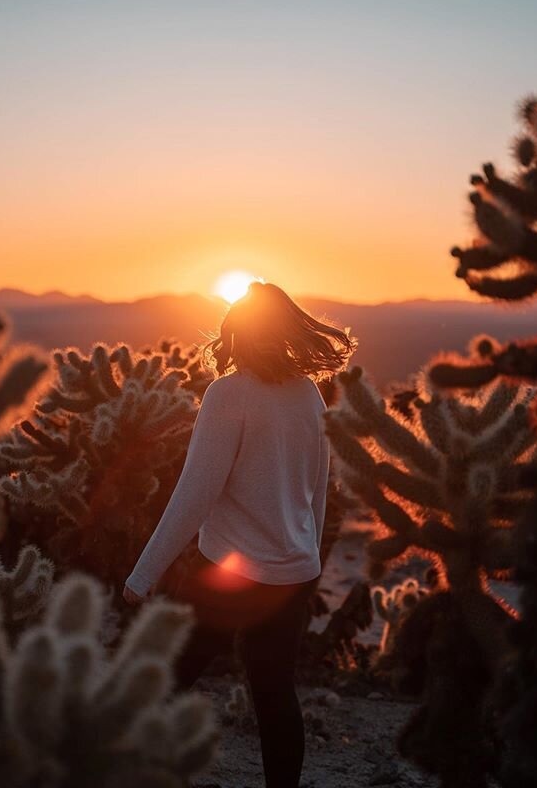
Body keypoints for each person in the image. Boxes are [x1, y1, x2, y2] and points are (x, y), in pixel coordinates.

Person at [124, 281, 355, 788]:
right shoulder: (308, 394)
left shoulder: (228, 394)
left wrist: (143, 574)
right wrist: (307, 560)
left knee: (167, 677)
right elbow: (319, 487)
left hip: (228, 574)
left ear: (237, 330)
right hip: (291, 575)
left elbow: (194, 495)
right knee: (275, 695)